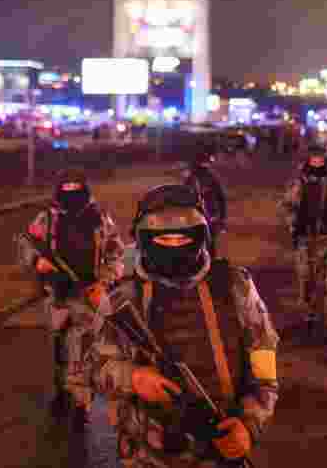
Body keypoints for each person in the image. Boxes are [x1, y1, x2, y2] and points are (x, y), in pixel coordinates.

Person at [88, 184, 279, 466]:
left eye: (182, 238)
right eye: (164, 239)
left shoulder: (235, 286)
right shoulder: (122, 299)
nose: (174, 247)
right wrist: (133, 377)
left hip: (222, 442)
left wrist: (249, 424)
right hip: (149, 453)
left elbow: (264, 359)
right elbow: (93, 366)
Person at [15, 168, 124, 426]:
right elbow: (24, 243)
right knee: (59, 348)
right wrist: (37, 261)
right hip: (58, 295)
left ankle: (81, 402)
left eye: (77, 188)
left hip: (89, 295)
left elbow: (115, 254)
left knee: (83, 349)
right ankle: (62, 391)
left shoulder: (100, 218)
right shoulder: (47, 218)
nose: (72, 194)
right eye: (67, 188)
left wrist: (104, 282)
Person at [279, 146, 327, 342]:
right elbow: (288, 207)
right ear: (308, 160)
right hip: (307, 241)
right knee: (306, 283)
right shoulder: (298, 182)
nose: (317, 162)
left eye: (320, 158)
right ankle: (308, 319)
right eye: (314, 158)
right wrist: (294, 228)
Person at [182, 149, 228, 255]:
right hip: (198, 217)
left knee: (207, 244)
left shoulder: (208, 178)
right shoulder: (192, 179)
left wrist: (221, 218)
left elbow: (221, 198)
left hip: (207, 217)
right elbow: (221, 199)